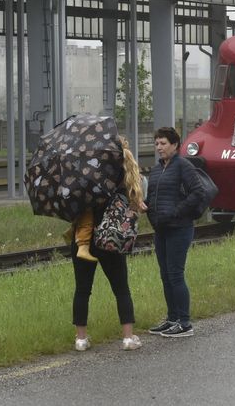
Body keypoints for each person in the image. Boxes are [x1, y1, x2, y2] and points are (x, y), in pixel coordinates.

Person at [72, 136, 146, 352]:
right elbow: (135, 207)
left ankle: (81, 339)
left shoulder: (88, 175)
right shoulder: (125, 176)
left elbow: (75, 207)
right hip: (110, 240)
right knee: (121, 289)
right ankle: (128, 338)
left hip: (83, 242)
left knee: (82, 290)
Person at [145, 127, 204, 338]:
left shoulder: (183, 166)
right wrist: (144, 206)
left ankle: (185, 322)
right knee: (165, 275)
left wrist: (176, 212)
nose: (159, 148)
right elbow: (153, 196)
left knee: (175, 274)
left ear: (175, 145)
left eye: (163, 143)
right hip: (161, 229)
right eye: (157, 143)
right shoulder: (157, 169)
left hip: (180, 228)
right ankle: (172, 319)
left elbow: (198, 192)